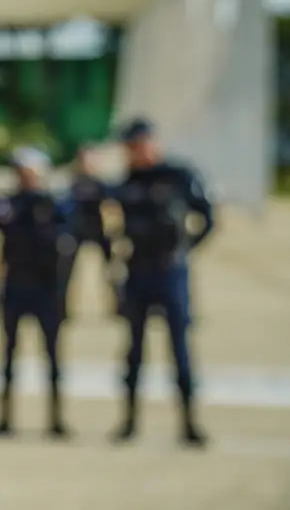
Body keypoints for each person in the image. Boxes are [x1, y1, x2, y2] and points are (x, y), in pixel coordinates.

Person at [111, 118, 214, 447]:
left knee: (180, 351)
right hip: (138, 273)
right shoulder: (128, 181)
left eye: (138, 145)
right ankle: (129, 422)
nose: (134, 152)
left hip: (170, 273)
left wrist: (184, 250)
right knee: (134, 351)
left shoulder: (179, 175)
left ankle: (189, 423)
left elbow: (207, 216)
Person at [0, 147, 74, 439]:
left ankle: (56, 418)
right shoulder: (11, 204)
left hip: (46, 288)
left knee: (52, 355)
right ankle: (5, 417)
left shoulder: (55, 205)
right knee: (9, 353)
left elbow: (68, 244)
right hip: (17, 285)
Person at [61, 145, 116, 319]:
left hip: (99, 231)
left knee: (112, 272)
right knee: (66, 272)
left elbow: (111, 208)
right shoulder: (73, 184)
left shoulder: (101, 185)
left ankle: (118, 305)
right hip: (77, 232)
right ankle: (63, 307)